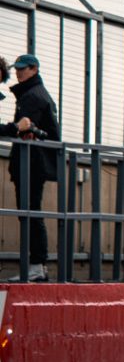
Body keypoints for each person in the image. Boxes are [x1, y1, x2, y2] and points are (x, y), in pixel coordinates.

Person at [0, 55, 59, 282]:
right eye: (17, 69)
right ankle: (38, 265)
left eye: (23, 69)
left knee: (30, 212)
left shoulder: (32, 96)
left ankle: (37, 264)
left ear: (34, 69)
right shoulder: (36, 93)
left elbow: (25, 130)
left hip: (32, 163)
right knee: (31, 211)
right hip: (35, 162)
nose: (19, 73)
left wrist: (17, 129)